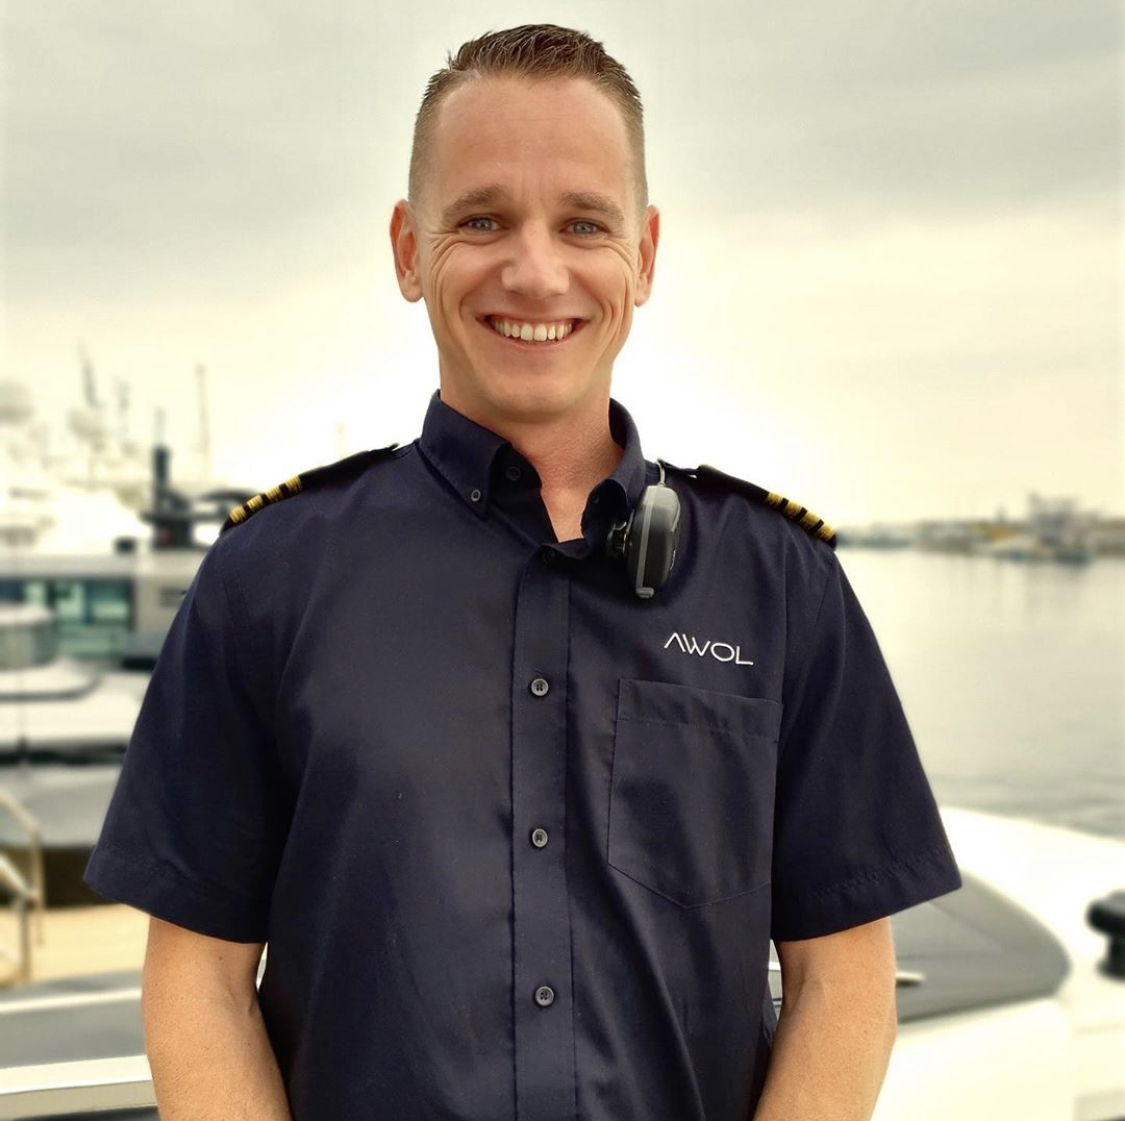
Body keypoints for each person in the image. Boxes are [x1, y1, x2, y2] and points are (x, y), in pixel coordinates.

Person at [85, 23, 962, 1121]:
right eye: (483, 218)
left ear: (644, 253)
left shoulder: (782, 586)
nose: (535, 268)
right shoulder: (270, 574)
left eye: (583, 222)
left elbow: (844, 975)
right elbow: (198, 976)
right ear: (410, 249)